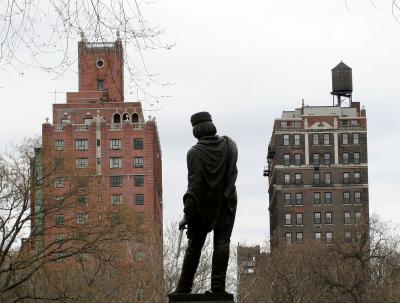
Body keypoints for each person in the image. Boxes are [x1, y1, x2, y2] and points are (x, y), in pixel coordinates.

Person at [174, 111, 238, 294]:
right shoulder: (230, 144)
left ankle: (184, 288)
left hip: (203, 206)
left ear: (196, 130)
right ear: (211, 125)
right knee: (222, 243)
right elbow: (232, 175)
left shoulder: (194, 153)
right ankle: (218, 289)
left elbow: (194, 186)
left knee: (194, 246)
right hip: (227, 202)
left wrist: (187, 215)